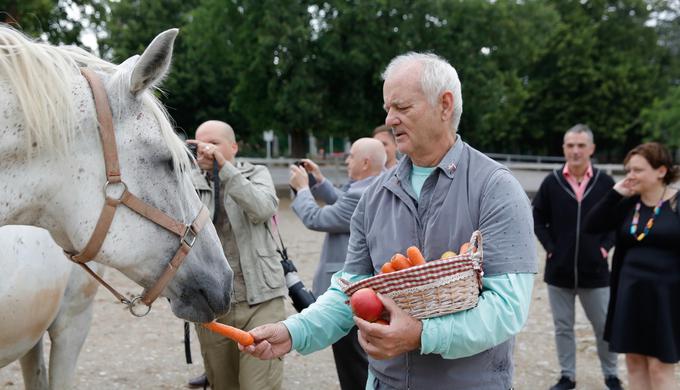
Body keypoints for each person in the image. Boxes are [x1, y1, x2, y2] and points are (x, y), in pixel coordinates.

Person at [242, 52, 537, 390]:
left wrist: (422, 335)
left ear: (444, 105)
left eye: (402, 108)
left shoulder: (495, 188)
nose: (391, 119)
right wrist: (293, 332)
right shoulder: (374, 196)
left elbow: (506, 308)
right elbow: (349, 290)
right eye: (387, 109)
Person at [187, 120, 287, 390]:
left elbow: (263, 208)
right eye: (199, 144)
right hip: (212, 306)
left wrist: (225, 171)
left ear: (233, 147)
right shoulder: (185, 183)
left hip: (262, 299)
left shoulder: (256, 173)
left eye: (214, 144)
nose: (206, 150)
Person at [288, 138, 386, 390]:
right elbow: (344, 202)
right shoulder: (378, 185)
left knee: (352, 363)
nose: (346, 160)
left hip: (349, 294)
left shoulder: (360, 195)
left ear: (365, 163)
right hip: (369, 292)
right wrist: (320, 182)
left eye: (351, 156)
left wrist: (302, 190)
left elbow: (316, 218)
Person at [532, 124, 622, 390]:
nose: (575, 150)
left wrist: (604, 248)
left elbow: (619, 220)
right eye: (570, 145)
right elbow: (537, 218)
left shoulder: (605, 183)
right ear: (563, 148)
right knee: (562, 327)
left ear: (591, 149)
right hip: (558, 271)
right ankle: (567, 376)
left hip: (595, 271)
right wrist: (550, 247)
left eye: (581, 145)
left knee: (604, 326)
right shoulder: (552, 182)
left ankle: (611, 374)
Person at [584, 142, 679, 390]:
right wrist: (615, 193)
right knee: (634, 363)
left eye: (638, 170)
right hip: (631, 292)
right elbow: (592, 225)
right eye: (628, 170)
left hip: (667, 298)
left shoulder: (676, 203)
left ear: (661, 171)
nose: (631, 176)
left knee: (660, 367)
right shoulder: (629, 203)